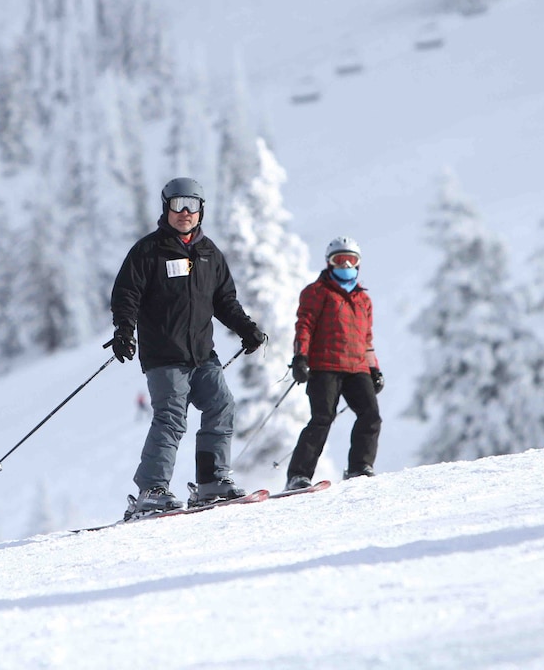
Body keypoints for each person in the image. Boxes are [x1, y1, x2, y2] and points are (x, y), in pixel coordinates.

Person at [106, 177, 266, 518]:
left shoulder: (210, 255)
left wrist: (246, 328)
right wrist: (124, 331)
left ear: (201, 210)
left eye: (192, 205)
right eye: (177, 204)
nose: (185, 212)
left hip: (202, 355)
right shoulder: (149, 251)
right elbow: (126, 296)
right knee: (171, 418)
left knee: (221, 406)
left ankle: (210, 481)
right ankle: (152, 489)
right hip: (165, 356)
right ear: (166, 208)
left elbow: (225, 302)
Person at [283, 237, 384, 491]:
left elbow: (367, 338)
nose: (346, 264)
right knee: (322, 418)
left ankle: (360, 467)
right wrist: (300, 357)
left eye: (351, 260)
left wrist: (374, 368)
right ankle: (298, 475)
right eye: (340, 260)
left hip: (357, 367)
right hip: (325, 366)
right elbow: (304, 325)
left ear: (359, 264)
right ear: (329, 263)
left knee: (370, 416)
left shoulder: (363, 300)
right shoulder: (317, 292)